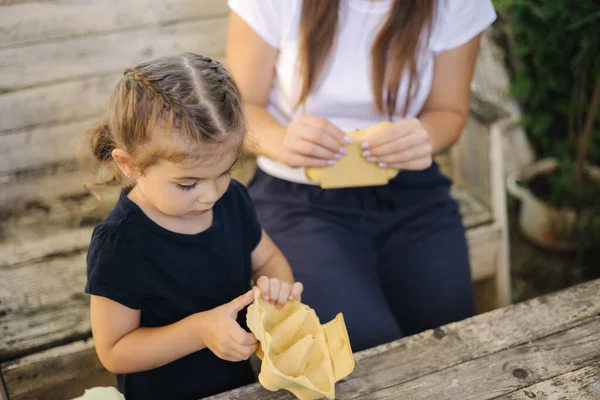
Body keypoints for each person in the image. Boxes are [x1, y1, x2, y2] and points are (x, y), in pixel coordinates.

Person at [225, 0, 497, 352]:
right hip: (297, 198)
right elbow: (240, 109)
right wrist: (282, 140)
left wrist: (426, 135)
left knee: (451, 340)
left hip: (411, 194)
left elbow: (449, 111)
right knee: (362, 346)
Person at [83, 53, 303, 400]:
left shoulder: (232, 199)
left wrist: (278, 289)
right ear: (129, 165)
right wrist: (200, 331)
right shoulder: (122, 244)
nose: (210, 195)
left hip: (239, 383)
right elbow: (114, 351)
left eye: (225, 171)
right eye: (188, 184)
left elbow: (268, 259)